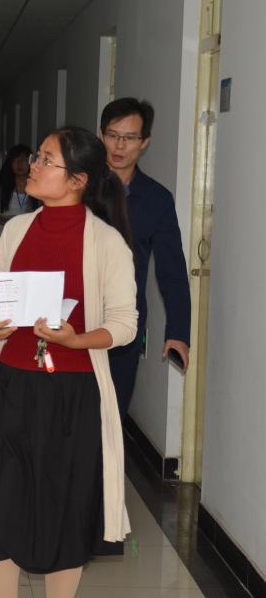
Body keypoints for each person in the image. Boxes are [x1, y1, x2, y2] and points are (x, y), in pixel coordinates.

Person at [0, 127, 137, 598]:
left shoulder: (107, 243)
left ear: (78, 180)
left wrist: (75, 339)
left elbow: (125, 325)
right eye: (37, 156)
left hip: (71, 395)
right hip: (9, 387)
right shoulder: (16, 228)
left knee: (62, 512)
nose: (32, 165)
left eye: (46, 160)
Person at [100, 97, 191, 419]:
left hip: (124, 321)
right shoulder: (79, 188)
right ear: (101, 135)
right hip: (74, 317)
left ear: (145, 142)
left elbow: (171, 270)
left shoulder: (157, 199)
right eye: (113, 135)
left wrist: (178, 332)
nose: (119, 145)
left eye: (130, 138)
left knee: (112, 413)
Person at [0, 143, 37, 245]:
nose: (19, 163)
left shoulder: (37, 188)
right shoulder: (4, 189)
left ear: (30, 162)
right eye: (15, 159)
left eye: (24, 159)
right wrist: (11, 221)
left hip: (28, 240)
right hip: (5, 240)